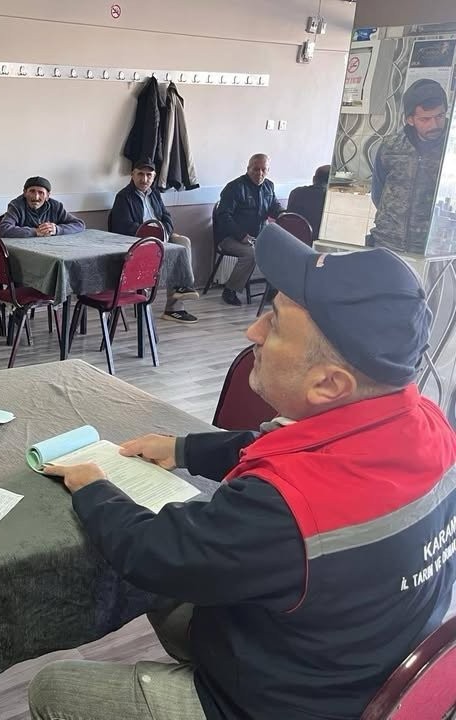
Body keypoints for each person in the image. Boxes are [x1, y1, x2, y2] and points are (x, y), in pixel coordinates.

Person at [32, 223, 456, 720]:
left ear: (328, 384)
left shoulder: (283, 509)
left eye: (273, 324)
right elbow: (289, 448)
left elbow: (154, 552)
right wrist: (183, 449)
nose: (252, 331)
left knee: (53, 688)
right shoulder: (426, 422)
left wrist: (94, 488)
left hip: (285, 703)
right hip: (350, 657)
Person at [108, 160, 200, 324]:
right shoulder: (123, 197)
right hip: (138, 242)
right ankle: (179, 291)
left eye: (148, 175)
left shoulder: (155, 194)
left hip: (161, 237)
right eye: (140, 174)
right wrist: (153, 233)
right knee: (173, 254)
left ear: (154, 177)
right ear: (132, 175)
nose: (144, 179)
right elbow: (123, 227)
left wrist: (165, 232)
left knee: (182, 241)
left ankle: (178, 300)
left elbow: (166, 217)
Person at [370, 79, 449, 254]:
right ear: (410, 120)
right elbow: (378, 194)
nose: (434, 125)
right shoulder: (391, 147)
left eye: (440, 116)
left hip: (435, 248)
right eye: (425, 119)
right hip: (387, 244)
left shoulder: (451, 148)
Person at [215, 154, 282, 305]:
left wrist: (283, 214)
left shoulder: (269, 186)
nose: (260, 173)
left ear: (268, 170)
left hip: (259, 236)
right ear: (248, 169)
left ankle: (272, 290)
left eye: (264, 170)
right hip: (230, 237)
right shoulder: (234, 187)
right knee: (250, 254)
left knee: (280, 250)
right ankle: (230, 290)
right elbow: (223, 216)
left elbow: (274, 207)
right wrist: (241, 235)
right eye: (256, 169)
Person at [0, 176, 85, 238]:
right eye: (32, 191)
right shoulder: (16, 205)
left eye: (41, 193)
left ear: (47, 196)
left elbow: (79, 224)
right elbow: (3, 229)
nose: (36, 197)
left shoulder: (56, 206)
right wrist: (35, 232)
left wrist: (57, 229)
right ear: (25, 193)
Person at [285, 164, 329, 242]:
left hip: (291, 241)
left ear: (314, 179)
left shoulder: (296, 192)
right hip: (315, 245)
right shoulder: (330, 199)